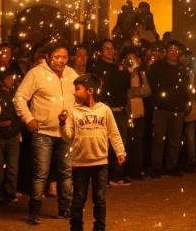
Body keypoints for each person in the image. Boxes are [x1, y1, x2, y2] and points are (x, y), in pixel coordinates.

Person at [14, 41, 78, 225]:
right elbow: (19, 97)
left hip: (65, 132)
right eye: (57, 57)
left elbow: (78, 98)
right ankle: (34, 211)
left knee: (66, 172)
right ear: (48, 57)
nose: (61, 61)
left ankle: (64, 208)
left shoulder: (72, 74)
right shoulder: (36, 74)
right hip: (43, 132)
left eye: (64, 57)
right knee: (40, 173)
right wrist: (28, 118)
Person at [59, 73, 126, 231]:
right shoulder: (73, 112)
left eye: (78, 89)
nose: (74, 92)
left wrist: (120, 151)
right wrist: (62, 124)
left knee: (99, 199)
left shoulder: (104, 110)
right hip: (80, 163)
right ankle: (76, 227)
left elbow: (113, 133)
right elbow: (68, 136)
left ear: (90, 91)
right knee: (78, 199)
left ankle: (99, 227)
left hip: (100, 162)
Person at [88, 39, 131, 183]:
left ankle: (117, 174)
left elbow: (126, 85)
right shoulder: (96, 67)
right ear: (101, 51)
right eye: (107, 48)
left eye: (112, 48)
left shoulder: (119, 67)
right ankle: (103, 177)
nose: (110, 51)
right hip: (104, 109)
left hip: (119, 110)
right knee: (103, 144)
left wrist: (124, 71)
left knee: (119, 143)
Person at [146, 40, 190, 178]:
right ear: (166, 51)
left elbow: (185, 88)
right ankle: (157, 167)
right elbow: (152, 85)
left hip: (178, 109)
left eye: (176, 50)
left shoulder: (182, 69)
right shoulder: (158, 67)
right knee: (159, 139)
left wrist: (186, 103)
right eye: (171, 50)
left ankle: (172, 166)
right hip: (162, 109)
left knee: (175, 139)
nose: (174, 52)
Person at [0, 70, 22, 204]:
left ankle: (10, 192)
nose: (11, 80)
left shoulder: (15, 94)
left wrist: (15, 125)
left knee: (12, 166)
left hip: (13, 135)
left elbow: (20, 112)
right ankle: (0, 191)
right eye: (8, 78)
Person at [123, 48, 151, 181]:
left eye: (133, 58)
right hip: (128, 113)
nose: (131, 61)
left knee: (138, 144)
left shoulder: (140, 73)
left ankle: (137, 170)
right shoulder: (123, 74)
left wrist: (141, 74)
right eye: (129, 58)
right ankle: (127, 171)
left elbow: (147, 91)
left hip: (139, 113)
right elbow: (125, 91)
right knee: (127, 143)